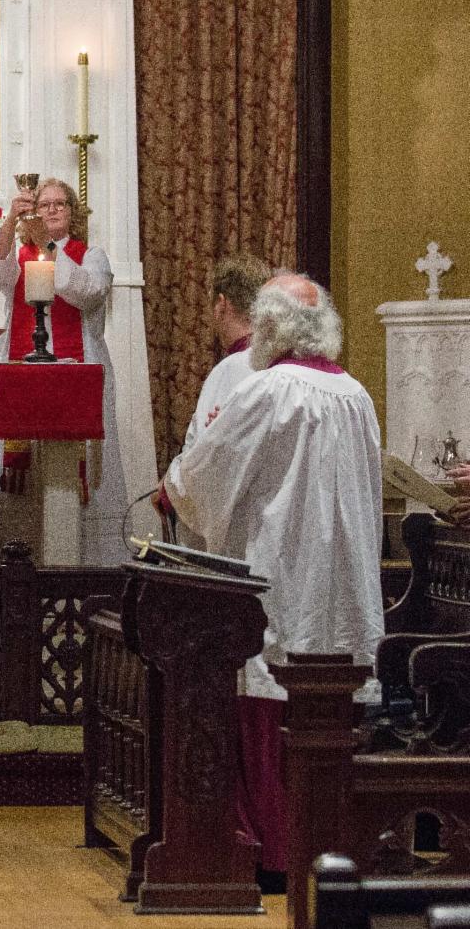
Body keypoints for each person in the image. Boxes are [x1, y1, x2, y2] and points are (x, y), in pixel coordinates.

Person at [162, 272, 385, 886]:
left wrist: (176, 485)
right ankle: (334, 850)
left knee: (271, 695)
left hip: (280, 577)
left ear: (272, 326)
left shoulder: (267, 391)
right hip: (342, 586)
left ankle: (273, 852)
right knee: (330, 708)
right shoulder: (357, 395)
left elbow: (208, 474)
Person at [0, 177, 128, 565]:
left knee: (71, 473)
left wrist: (45, 246)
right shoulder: (20, 253)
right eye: (43, 204)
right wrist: (10, 222)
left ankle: (81, 561)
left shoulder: (91, 255)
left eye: (60, 203)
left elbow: (85, 290)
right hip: (19, 369)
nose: (52, 210)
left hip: (77, 370)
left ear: (72, 212)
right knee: (19, 478)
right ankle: (17, 560)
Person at [159, 254, 272, 546]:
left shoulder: (231, 370)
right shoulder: (284, 365)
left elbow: (208, 454)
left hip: (235, 527)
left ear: (222, 304)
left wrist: (171, 490)